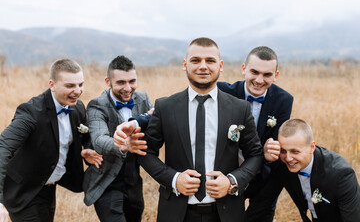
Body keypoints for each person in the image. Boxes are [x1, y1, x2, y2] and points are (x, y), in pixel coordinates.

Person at [116, 37, 264, 222]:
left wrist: (231, 181)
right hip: (177, 213)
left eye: (210, 60)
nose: (203, 66)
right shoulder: (165, 106)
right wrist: (174, 179)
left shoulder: (239, 108)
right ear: (185, 64)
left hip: (226, 213)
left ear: (220, 65)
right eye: (195, 60)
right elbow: (146, 153)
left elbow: (256, 154)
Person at [0, 59, 103, 222]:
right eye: (70, 86)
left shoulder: (78, 108)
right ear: (52, 85)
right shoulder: (31, 112)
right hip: (23, 191)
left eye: (80, 84)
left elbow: (86, 137)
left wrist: (88, 148)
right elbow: (3, 147)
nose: (77, 91)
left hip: (49, 188)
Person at [217, 46, 293, 221]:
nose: (259, 80)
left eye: (267, 74)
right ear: (244, 69)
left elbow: (275, 139)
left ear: (276, 75)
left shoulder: (284, 100)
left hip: (263, 175)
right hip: (226, 174)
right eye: (254, 72)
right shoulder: (223, 91)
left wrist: (270, 153)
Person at [83, 55, 153, 222]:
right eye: (121, 82)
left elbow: (155, 123)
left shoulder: (143, 98)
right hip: (106, 181)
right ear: (108, 82)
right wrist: (124, 145)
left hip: (134, 181)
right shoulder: (96, 105)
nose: (128, 88)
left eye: (132, 81)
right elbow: (99, 140)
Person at [256, 119, 360, 221]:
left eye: (295, 151)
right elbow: (262, 203)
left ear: (312, 147)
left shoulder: (341, 174)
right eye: (283, 151)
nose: (288, 158)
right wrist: (265, 160)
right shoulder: (282, 164)